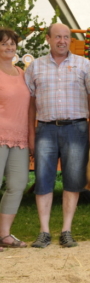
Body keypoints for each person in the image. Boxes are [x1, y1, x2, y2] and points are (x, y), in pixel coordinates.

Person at [25, 23, 90, 248]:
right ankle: (44, 231)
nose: (62, 41)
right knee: (43, 180)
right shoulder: (35, 67)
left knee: (73, 181)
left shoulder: (84, 64)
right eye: (58, 37)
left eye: (66, 37)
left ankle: (66, 230)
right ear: (48, 39)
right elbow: (30, 103)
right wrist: (30, 133)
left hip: (76, 128)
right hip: (45, 129)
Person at [0, 28, 30, 251]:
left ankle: (5, 235)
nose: (9, 47)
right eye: (4, 44)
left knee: (18, 185)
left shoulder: (21, 73)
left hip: (20, 138)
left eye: (12, 43)